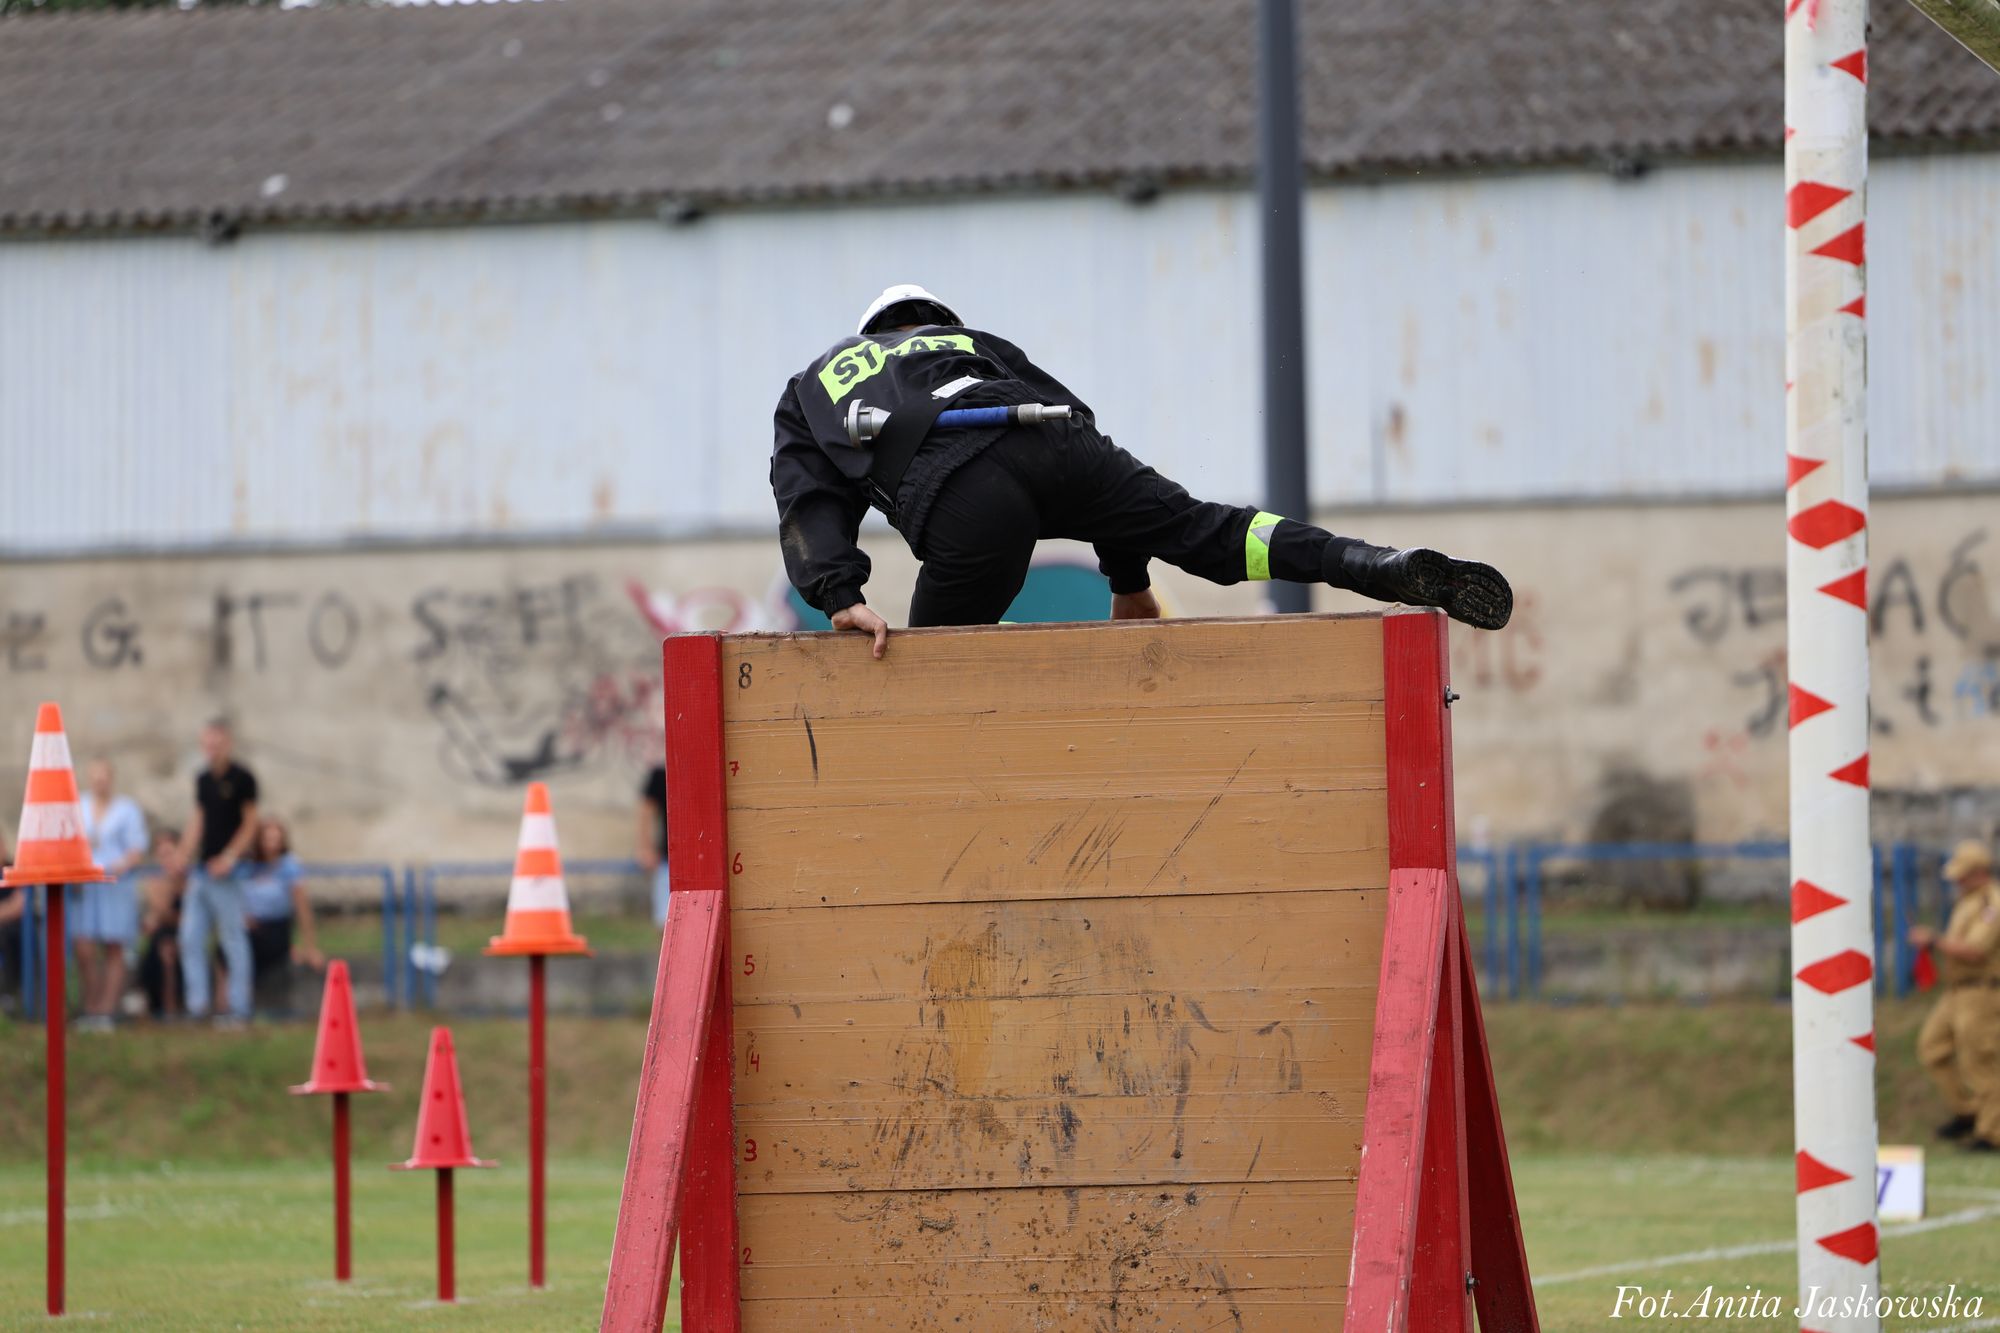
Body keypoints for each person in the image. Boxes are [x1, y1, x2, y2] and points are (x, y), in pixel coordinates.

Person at [771, 284, 1513, 656]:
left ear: (868, 333)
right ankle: (1372, 563)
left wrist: (840, 594)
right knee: (1211, 530)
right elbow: (1075, 419)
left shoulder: (818, 380)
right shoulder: (973, 341)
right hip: (1057, 442)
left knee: (929, 678)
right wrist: (1128, 581)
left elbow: (807, 490)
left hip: (965, 489)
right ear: (936, 319)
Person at [1911, 839, 2000, 1152]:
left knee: (1981, 1062)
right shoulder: (1967, 902)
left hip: (1982, 993)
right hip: (1956, 993)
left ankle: (1992, 1134)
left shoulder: (1991, 903)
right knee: (1932, 1048)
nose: (1956, 881)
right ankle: (1967, 1111)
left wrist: (1933, 940)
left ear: (1978, 872)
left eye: (1962, 875)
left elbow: (1975, 950)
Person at [177, 719, 259, 1025]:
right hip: (202, 871)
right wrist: (183, 854)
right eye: (207, 743)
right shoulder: (203, 779)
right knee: (190, 937)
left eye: (217, 743)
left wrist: (229, 857)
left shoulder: (243, 778)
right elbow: (198, 820)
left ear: (228, 743)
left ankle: (239, 1007)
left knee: (232, 938)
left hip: (228, 874)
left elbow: (251, 823)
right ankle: (197, 1005)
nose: (212, 749)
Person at [73, 760, 149, 1031]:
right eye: (95, 776)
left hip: (116, 885)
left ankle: (106, 1010)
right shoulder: (79, 805)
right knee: (84, 946)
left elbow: (136, 848)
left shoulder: (127, 809)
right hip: (85, 885)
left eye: (104, 776)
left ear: (111, 779)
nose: (100, 781)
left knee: (114, 946)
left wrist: (118, 865)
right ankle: (91, 1005)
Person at [232, 816, 322, 1014]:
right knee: (227, 952)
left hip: (276, 930)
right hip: (248, 929)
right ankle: (231, 1009)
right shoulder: (247, 867)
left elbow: (303, 908)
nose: (271, 844)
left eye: (276, 839)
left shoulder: (289, 866)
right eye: (267, 838)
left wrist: (309, 947)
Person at [138, 829, 187, 1020]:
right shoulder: (154, 879)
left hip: (184, 932)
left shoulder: (189, 879)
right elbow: (158, 912)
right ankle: (161, 1007)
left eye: (169, 853)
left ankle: (171, 1007)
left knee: (167, 949)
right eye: (161, 855)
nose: (166, 860)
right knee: (161, 946)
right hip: (162, 932)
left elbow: (175, 915)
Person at [638, 763, 670, 928]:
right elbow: (647, 810)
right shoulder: (661, 773)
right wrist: (646, 848)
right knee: (665, 922)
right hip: (668, 860)